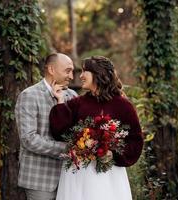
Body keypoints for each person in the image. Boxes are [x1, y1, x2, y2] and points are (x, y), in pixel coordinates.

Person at [49, 56, 143, 200]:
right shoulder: (78, 103)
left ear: (97, 74)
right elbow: (60, 132)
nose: (80, 76)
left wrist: (112, 154)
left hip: (108, 175)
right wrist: (60, 101)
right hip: (78, 174)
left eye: (84, 71)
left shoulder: (123, 106)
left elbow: (135, 141)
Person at [14, 53, 78, 200]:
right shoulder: (29, 95)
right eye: (67, 70)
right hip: (39, 179)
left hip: (69, 177)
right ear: (51, 69)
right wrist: (66, 148)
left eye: (72, 71)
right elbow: (29, 139)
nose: (71, 76)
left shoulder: (72, 96)